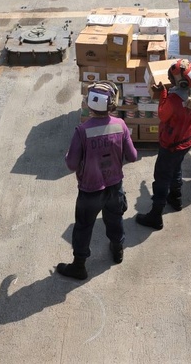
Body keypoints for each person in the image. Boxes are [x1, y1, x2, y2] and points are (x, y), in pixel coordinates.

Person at [57, 81, 138, 280]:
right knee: (115, 219)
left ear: (89, 104)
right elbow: (133, 156)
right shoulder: (120, 125)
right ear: (112, 103)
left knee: (84, 227)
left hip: (90, 190)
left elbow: (71, 164)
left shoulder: (82, 131)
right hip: (114, 186)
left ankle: (79, 266)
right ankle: (118, 250)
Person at [135, 59, 191, 231]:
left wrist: (163, 93)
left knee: (162, 178)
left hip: (171, 144)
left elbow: (162, 114)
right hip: (187, 139)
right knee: (176, 168)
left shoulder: (173, 100)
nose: (169, 79)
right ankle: (176, 198)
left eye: (172, 78)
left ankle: (155, 216)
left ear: (181, 82)